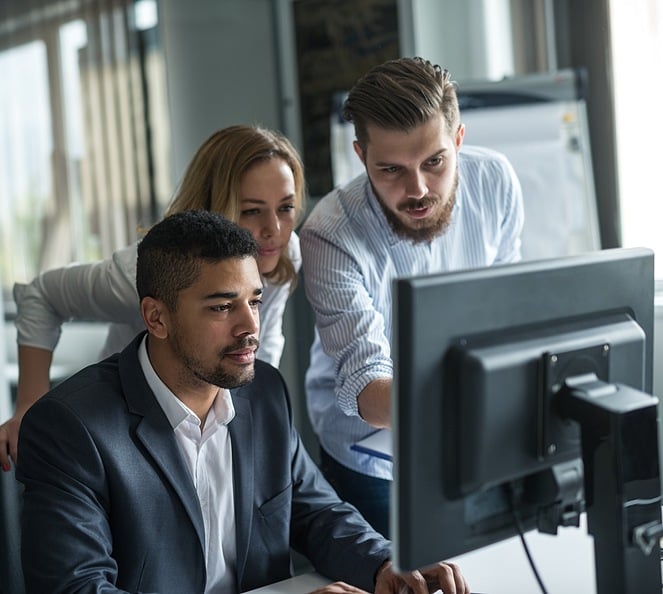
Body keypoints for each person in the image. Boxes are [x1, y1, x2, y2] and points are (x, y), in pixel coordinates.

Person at [15, 210, 469, 594]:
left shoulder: (263, 391)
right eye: (221, 307)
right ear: (157, 317)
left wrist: (385, 563)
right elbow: (78, 588)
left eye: (254, 300)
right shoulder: (70, 428)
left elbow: (316, 512)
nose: (249, 325)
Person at [300, 57, 525, 537]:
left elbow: (506, 310)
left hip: (474, 432)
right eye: (391, 170)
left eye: (435, 162)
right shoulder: (329, 235)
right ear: (361, 157)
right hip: (372, 453)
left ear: (458, 139)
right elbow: (367, 388)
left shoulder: (496, 182)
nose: (418, 189)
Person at [0, 124, 305, 472]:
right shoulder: (141, 271)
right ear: (213, 205)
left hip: (207, 419)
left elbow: (262, 344)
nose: (275, 230)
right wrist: (29, 408)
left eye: (286, 208)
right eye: (252, 211)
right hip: (125, 421)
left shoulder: (281, 252)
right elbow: (42, 294)